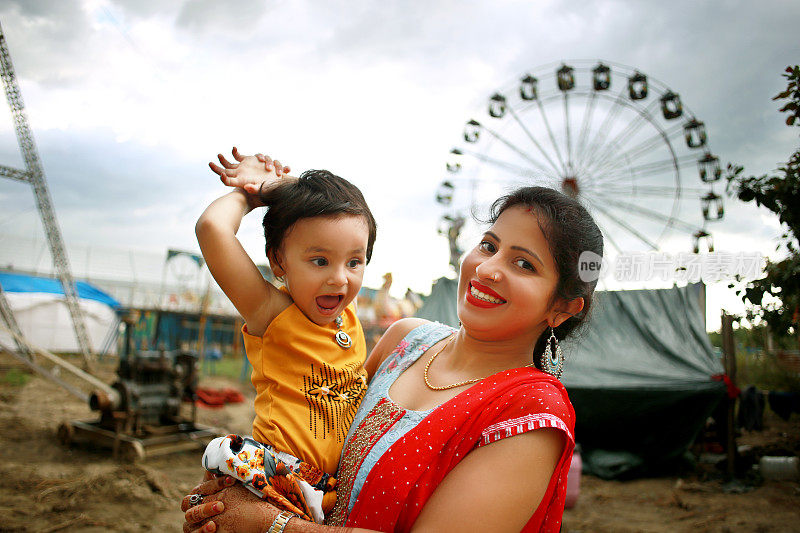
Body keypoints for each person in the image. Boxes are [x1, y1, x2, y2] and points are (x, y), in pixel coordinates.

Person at [182, 182, 603, 533]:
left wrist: (272, 526)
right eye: (489, 245)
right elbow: (318, 428)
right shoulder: (405, 339)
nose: (488, 268)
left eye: (524, 264)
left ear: (562, 308)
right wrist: (238, 493)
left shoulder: (530, 412)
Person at [195, 149, 377, 523]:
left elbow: (331, 211)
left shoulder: (349, 313)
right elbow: (212, 228)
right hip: (279, 483)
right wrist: (252, 193)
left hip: (337, 488)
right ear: (279, 261)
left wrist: (283, 186)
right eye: (319, 261)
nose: (340, 278)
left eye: (354, 261)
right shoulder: (273, 313)